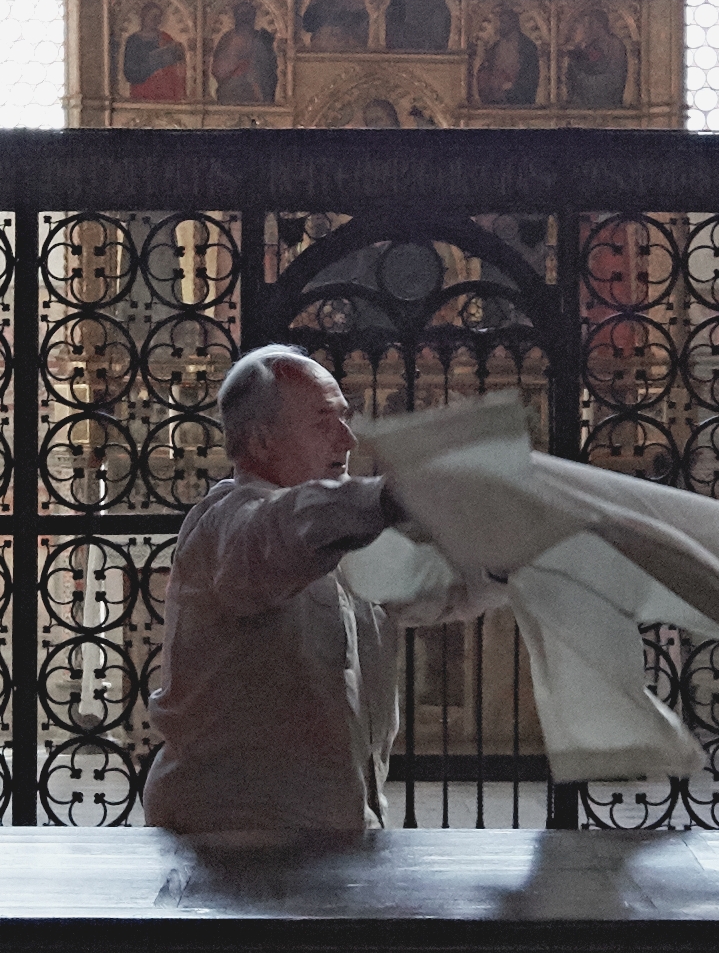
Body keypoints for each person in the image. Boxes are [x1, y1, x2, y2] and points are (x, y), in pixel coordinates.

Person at [138, 341, 479, 846]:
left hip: (331, 830)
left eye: (345, 417)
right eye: (322, 419)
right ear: (261, 440)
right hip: (230, 841)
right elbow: (282, 535)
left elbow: (435, 586)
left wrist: (513, 553)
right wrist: (392, 495)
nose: (346, 437)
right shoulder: (228, 522)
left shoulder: (342, 528)